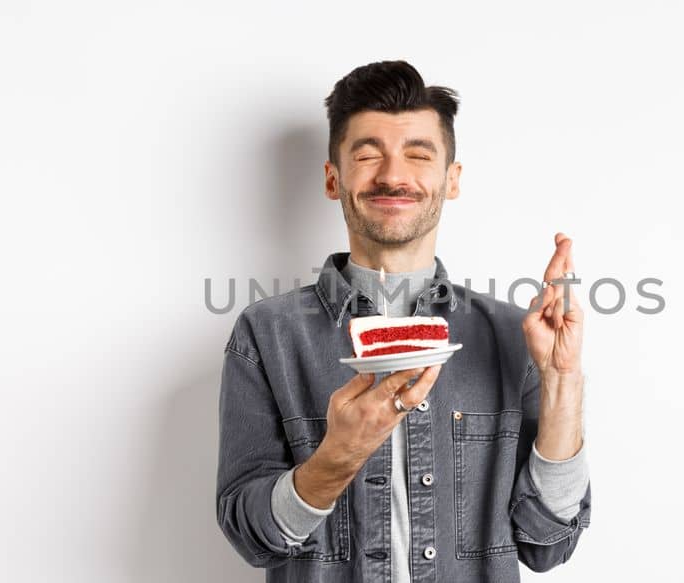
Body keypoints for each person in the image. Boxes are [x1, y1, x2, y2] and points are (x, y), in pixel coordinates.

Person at [215, 60, 591, 582]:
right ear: (332, 177)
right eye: (368, 155)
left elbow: (545, 544)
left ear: (451, 179)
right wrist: (334, 459)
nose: (393, 175)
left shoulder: (514, 334)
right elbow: (248, 536)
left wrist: (561, 382)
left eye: (418, 155)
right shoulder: (267, 334)